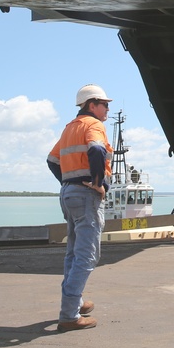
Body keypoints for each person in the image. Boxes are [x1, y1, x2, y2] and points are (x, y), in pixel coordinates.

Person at [47, 83, 114, 331]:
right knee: (87, 255)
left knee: (74, 253)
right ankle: (69, 315)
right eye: (104, 105)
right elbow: (96, 149)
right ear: (91, 105)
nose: (107, 109)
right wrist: (98, 184)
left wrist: (69, 182)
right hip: (86, 196)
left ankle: (78, 302)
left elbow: (52, 160)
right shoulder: (93, 125)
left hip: (69, 194)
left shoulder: (70, 129)